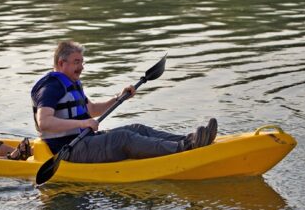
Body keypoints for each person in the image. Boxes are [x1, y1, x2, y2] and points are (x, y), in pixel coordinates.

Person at [31, 40, 218, 163]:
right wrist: (83, 123)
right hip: (67, 151)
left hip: (84, 140)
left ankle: (190, 140)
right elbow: (44, 122)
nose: (82, 67)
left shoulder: (71, 83)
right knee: (123, 138)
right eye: (76, 62)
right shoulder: (50, 87)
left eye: (82, 62)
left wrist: (118, 98)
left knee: (137, 129)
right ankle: (183, 149)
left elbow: (92, 109)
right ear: (61, 63)